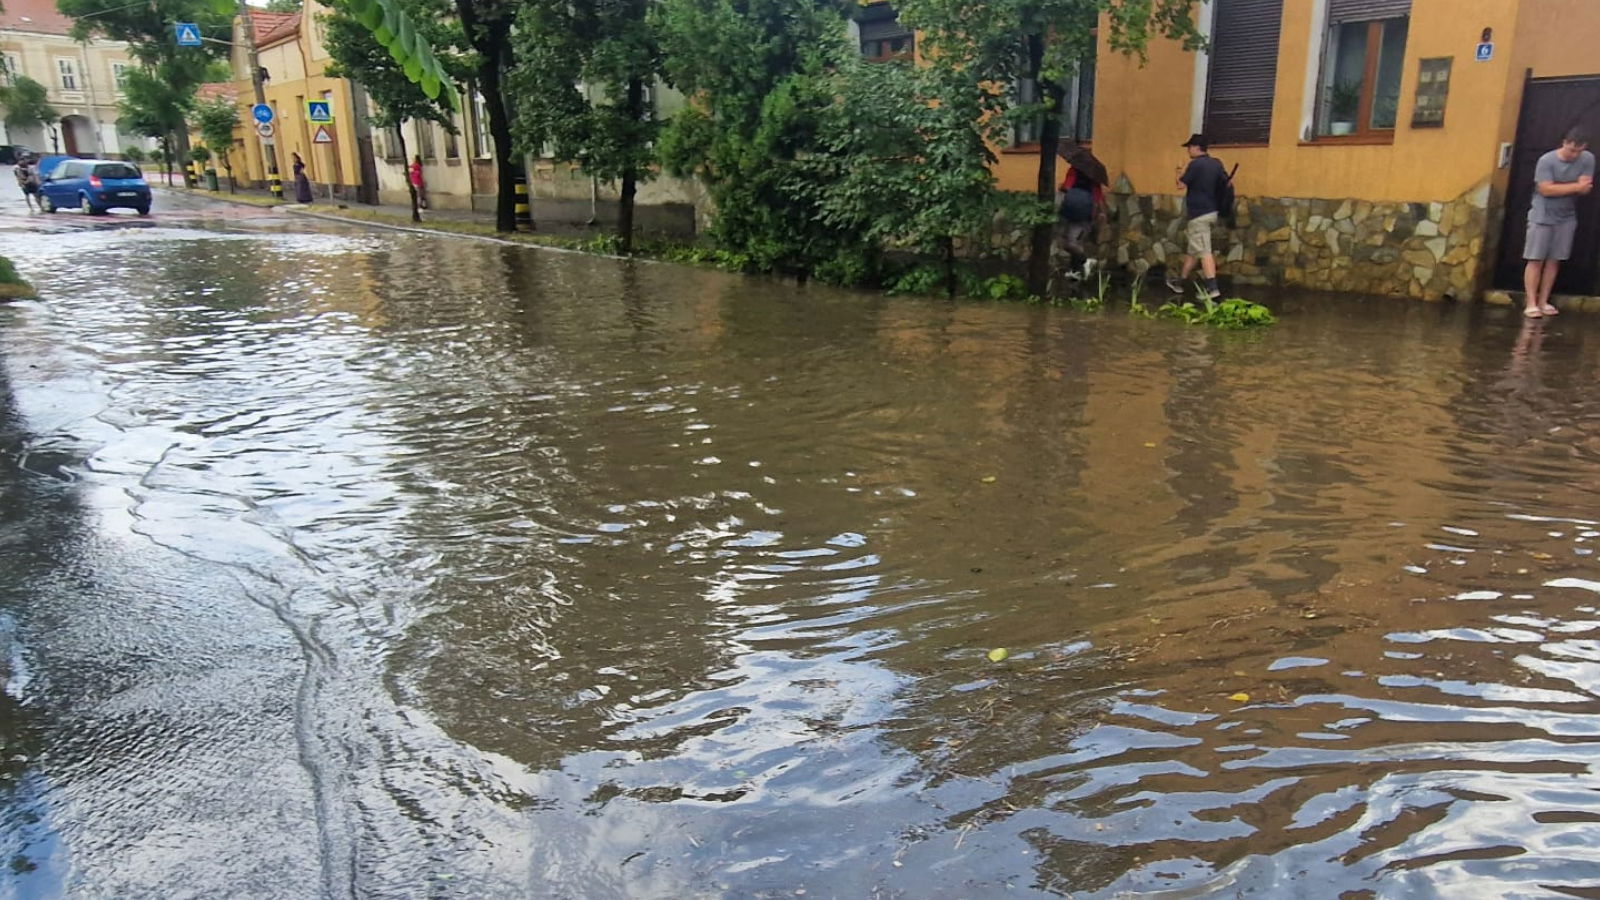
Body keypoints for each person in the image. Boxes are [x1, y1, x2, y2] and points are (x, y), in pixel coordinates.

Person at [1522, 126, 1594, 318]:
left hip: (1567, 216)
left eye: (1578, 151)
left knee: (1555, 260)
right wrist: (1575, 187)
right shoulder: (1546, 161)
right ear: (1564, 143)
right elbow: (1545, 190)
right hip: (1542, 214)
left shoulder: (1587, 159)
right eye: (1571, 150)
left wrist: (1573, 188)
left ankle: (1544, 300)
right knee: (1535, 258)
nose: (1574, 155)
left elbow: (1585, 188)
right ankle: (1530, 302)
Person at [1166, 133, 1227, 299]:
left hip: (1199, 213)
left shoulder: (1195, 165)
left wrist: (1179, 172)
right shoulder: (1216, 164)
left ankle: (1212, 288)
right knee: (1194, 251)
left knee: (1204, 251)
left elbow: (1180, 185)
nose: (1188, 151)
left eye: (1189, 147)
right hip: (1212, 211)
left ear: (1195, 147)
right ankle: (1180, 281)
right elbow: (1225, 183)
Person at [1058, 164, 1106, 260]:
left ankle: (1083, 262)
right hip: (1086, 213)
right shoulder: (1094, 175)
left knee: (1070, 243)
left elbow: (1067, 187)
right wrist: (1102, 212)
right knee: (1077, 241)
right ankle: (1079, 266)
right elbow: (1098, 198)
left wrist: (1062, 187)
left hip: (1070, 211)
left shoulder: (1074, 170)